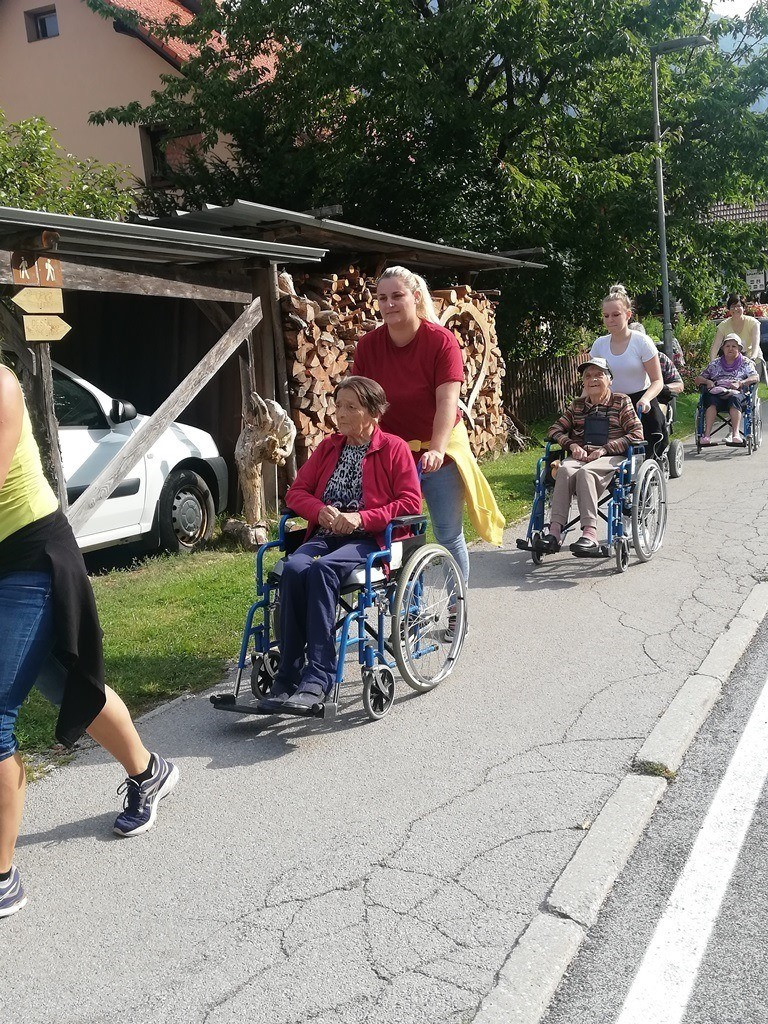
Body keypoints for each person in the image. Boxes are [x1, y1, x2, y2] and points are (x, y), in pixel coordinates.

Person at [0, 362, 178, 918]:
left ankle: (2, 877)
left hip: (31, 559)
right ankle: (149, 772)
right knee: (64, 683)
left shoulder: (1, 385)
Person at [257, 377, 422, 713]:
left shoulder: (394, 448)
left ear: (373, 413)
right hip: (326, 535)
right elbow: (295, 493)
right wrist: (320, 511)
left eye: (351, 407)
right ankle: (288, 675)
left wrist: (363, 518)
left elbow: (410, 504)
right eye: (338, 405)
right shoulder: (329, 447)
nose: (340, 414)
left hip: (370, 539)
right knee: (293, 568)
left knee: (321, 571)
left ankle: (319, 676)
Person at [352, 266, 504, 600]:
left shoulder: (440, 341)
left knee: (448, 535)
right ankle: (410, 610)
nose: (389, 304)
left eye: (397, 296)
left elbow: (447, 401)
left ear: (415, 297)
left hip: (441, 447)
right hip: (395, 454)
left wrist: (435, 449)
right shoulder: (369, 346)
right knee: (399, 534)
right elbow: (362, 403)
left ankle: (456, 608)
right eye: (382, 298)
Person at [539, 357, 643, 556]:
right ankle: (554, 532)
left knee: (586, 473)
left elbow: (636, 434)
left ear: (609, 379)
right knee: (564, 470)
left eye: (598, 375)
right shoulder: (578, 405)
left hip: (611, 456)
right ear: (583, 383)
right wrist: (572, 445)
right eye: (588, 376)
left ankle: (590, 533)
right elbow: (554, 429)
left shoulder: (621, 401)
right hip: (580, 454)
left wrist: (605, 449)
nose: (593, 379)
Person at [590, 285, 667, 459]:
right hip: (611, 403)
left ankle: (654, 458)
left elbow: (657, 380)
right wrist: (581, 403)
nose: (610, 319)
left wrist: (646, 399)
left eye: (616, 315)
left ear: (628, 314)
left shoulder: (642, 342)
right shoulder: (599, 345)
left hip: (640, 400)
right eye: (606, 316)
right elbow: (591, 381)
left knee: (652, 429)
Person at [695, 333, 759, 446]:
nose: (730, 348)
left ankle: (735, 435)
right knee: (711, 401)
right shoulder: (715, 363)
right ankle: (706, 436)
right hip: (717, 392)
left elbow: (755, 377)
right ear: (723, 348)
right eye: (727, 346)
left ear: (739, 349)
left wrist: (741, 382)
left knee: (735, 399)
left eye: (734, 346)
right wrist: (707, 381)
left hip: (737, 393)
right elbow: (698, 379)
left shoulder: (746, 362)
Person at [709, 295, 762, 377]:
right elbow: (716, 345)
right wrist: (712, 362)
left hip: (752, 358)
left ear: (744, 308)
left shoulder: (753, 323)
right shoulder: (723, 325)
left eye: (738, 306)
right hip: (732, 360)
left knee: (751, 383)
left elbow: (756, 342)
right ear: (729, 309)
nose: (735, 309)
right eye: (732, 307)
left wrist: (753, 358)